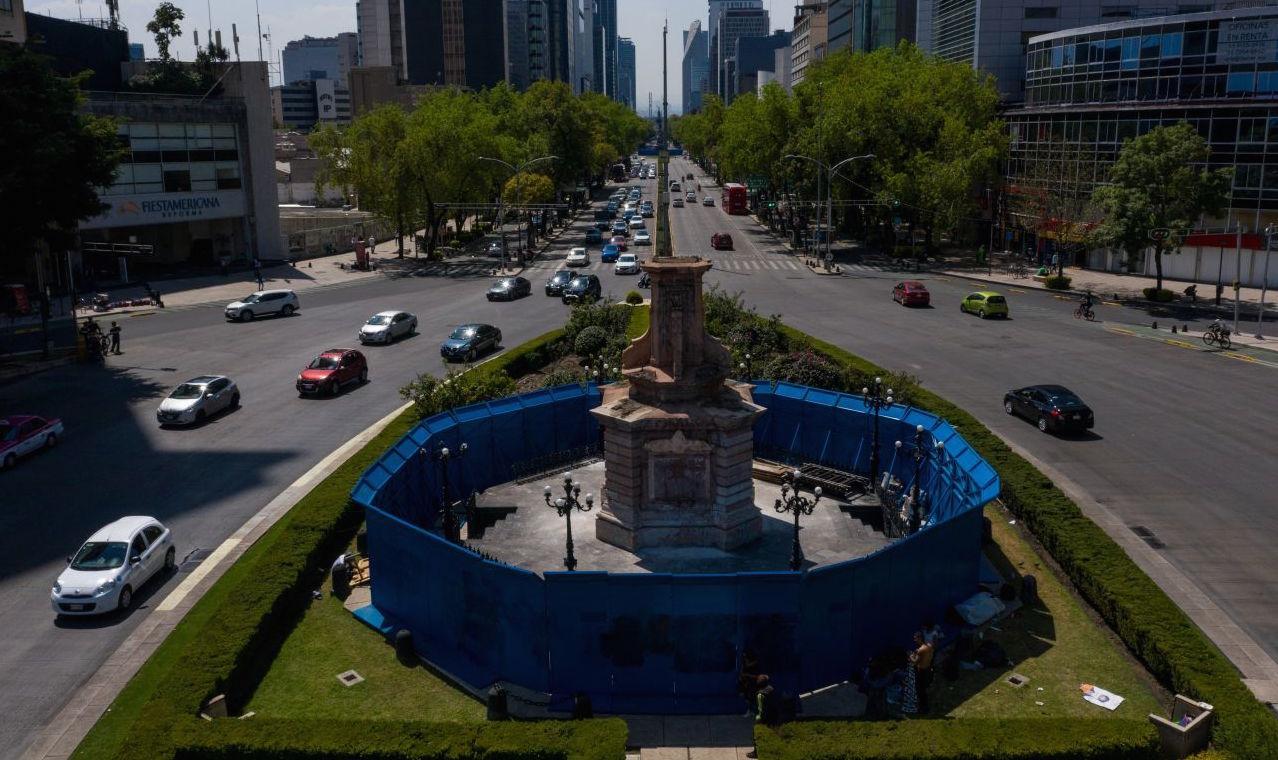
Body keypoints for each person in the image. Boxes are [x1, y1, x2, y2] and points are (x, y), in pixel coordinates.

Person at [910, 631, 935, 714]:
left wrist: (911, 656)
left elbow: (914, 662)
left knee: (921, 691)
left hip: (921, 671)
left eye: (915, 638)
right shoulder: (930, 646)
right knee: (924, 688)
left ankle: (923, 708)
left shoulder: (920, 650)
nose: (914, 640)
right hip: (928, 668)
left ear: (920, 638)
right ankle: (924, 706)